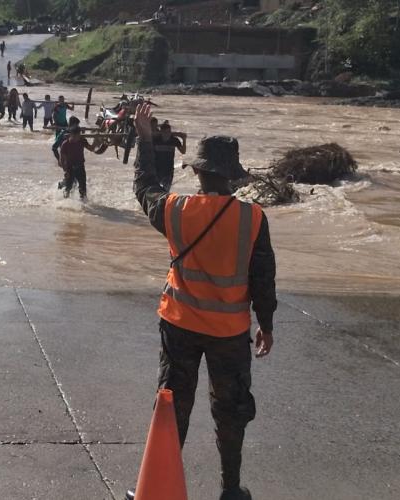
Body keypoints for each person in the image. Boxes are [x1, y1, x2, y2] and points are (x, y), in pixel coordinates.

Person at [125, 103, 276, 500]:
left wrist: (143, 140)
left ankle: (158, 486)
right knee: (231, 411)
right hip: (229, 334)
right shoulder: (253, 218)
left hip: (179, 327)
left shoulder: (178, 210)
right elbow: (263, 277)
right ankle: (230, 489)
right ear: (233, 177)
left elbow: (144, 188)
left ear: (197, 172)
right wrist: (268, 324)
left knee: (172, 407)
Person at [135, 118, 187, 191]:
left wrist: (184, 140)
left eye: (168, 132)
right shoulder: (156, 139)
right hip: (156, 169)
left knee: (166, 191)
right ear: (161, 132)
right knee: (154, 189)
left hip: (168, 170)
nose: (167, 134)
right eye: (165, 132)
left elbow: (183, 151)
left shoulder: (174, 140)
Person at [58, 123, 96, 200]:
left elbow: (91, 149)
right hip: (69, 168)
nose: (76, 138)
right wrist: (65, 171)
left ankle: (84, 205)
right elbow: (62, 160)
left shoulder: (82, 141)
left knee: (82, 187)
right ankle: (64, 203)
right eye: (74, 136)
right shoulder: (65, 144)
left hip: (80, 167)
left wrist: (96, 140)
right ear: (70, 134)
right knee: (69, 187)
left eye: (78, 136)